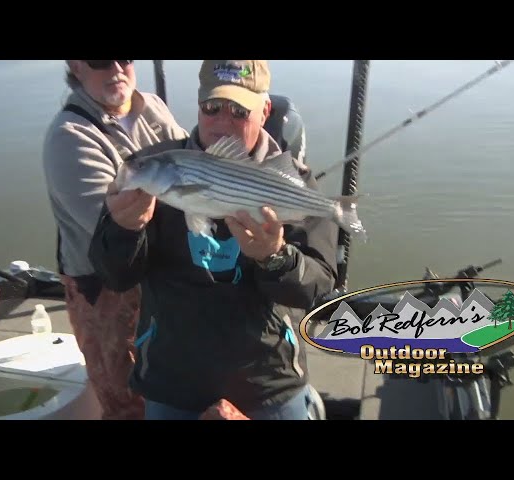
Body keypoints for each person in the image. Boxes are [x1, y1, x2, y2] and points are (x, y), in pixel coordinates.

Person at [88, 60, 338, 420]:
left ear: (265, 110)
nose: (223, 121)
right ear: (199, 104)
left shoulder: (293, 185)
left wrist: (274, 257)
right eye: (212, 107)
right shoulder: (150, 167)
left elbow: (316, 287)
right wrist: (125, 229)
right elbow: (115, 276)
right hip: (172, 380)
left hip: (268, 380)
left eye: (239, 110)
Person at [42, 60, 189, 420]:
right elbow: (112, 235)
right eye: (100, 61)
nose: (117, 69)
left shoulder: (151, 105)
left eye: (125, 59)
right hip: (106, 291)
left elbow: (193, 162)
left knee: (174, 384)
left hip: (161, 276)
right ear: (77, 66)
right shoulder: (70, 137)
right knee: (128, 398)